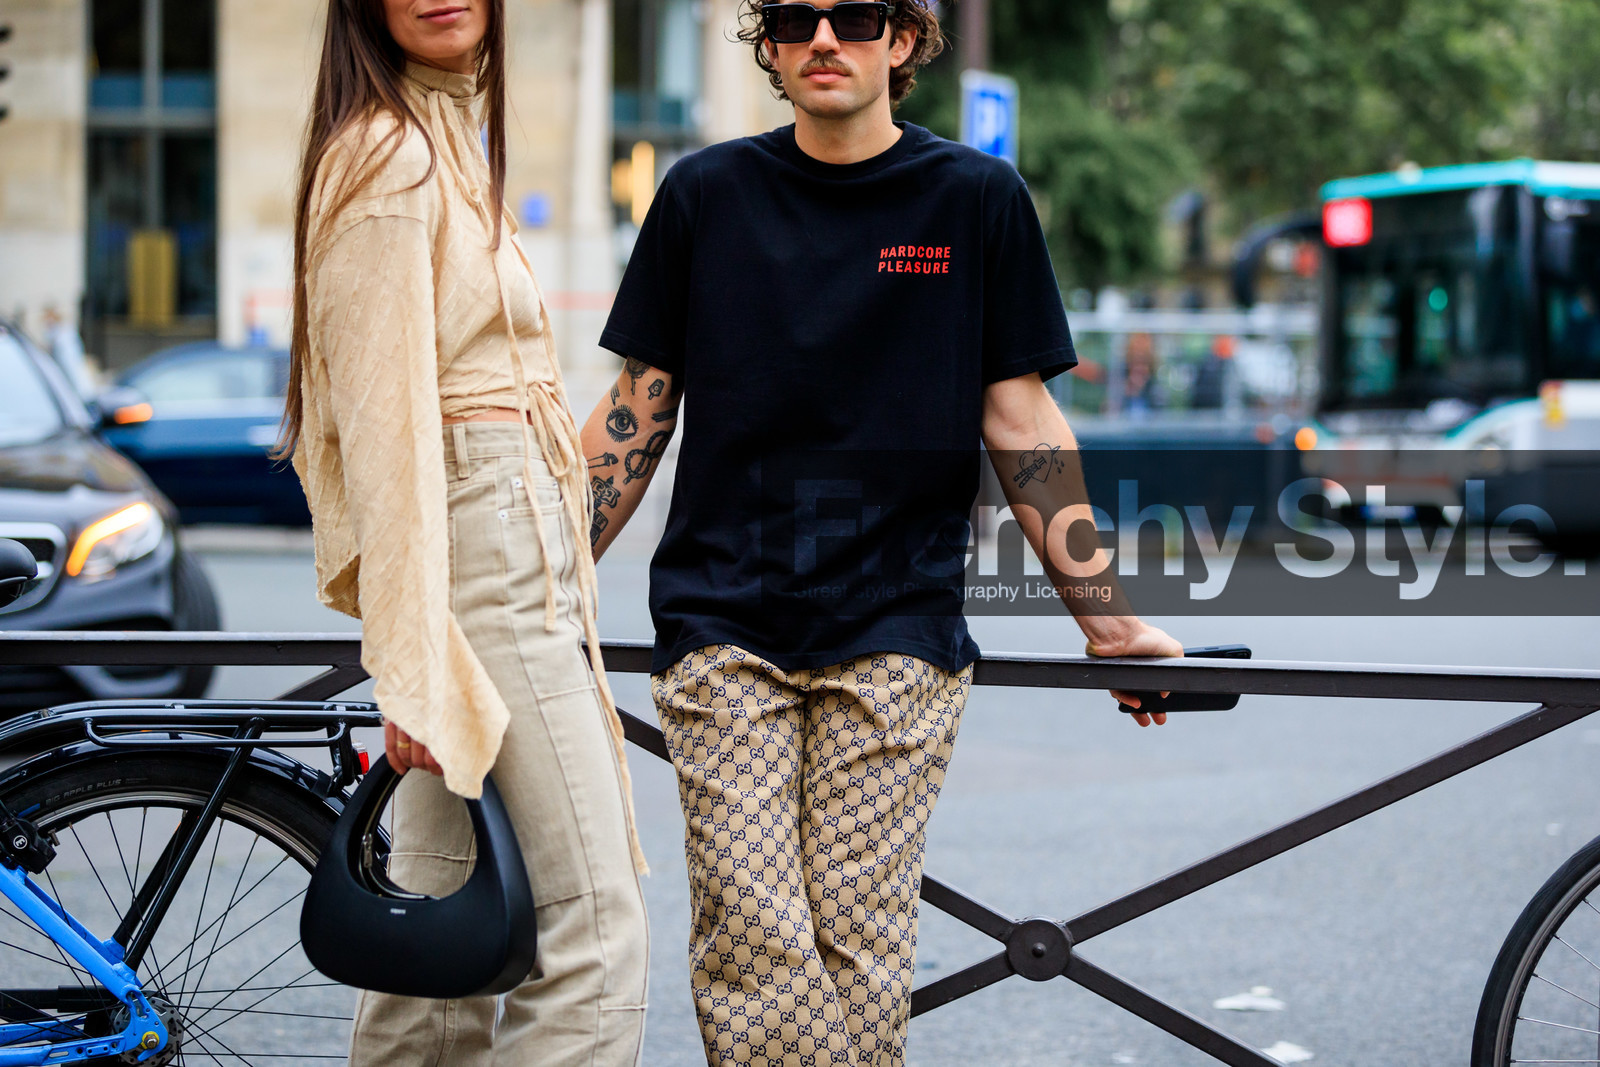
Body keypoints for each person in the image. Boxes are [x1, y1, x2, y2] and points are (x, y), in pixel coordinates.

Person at [579, 1, 1182, 1063]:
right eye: (796, 19)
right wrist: (539, 579)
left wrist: (1110, 619)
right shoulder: (704, 194)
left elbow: (1023, 421)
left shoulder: (976, 199)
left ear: (901, 41)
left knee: (860, 941)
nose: (824, 38)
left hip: (899, 630)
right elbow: (639, 406)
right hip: (723, 624)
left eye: (854, 16)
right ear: (766, 46)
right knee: (752, 931)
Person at [276, 1, 647, 1063]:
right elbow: (383, 425)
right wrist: (410, 660)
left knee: (434, 933)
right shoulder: (387, 151)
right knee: (594, 926)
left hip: (500, 524)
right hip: (478, 535)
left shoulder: (443, 136)